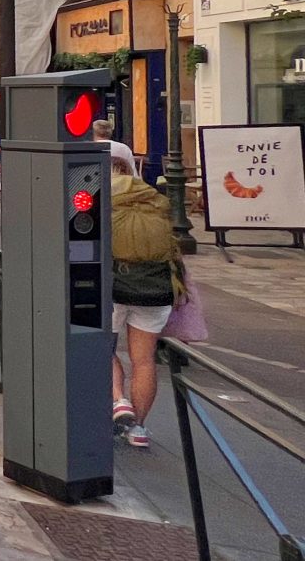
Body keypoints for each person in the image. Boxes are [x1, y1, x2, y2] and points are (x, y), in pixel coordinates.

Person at [110, 155, 182, 449]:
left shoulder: (99, 198)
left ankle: (118, 400)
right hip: (155, 285)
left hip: (114, 284)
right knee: (144, 360)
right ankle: (137, 427)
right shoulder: (155, 201)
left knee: (102, 349)